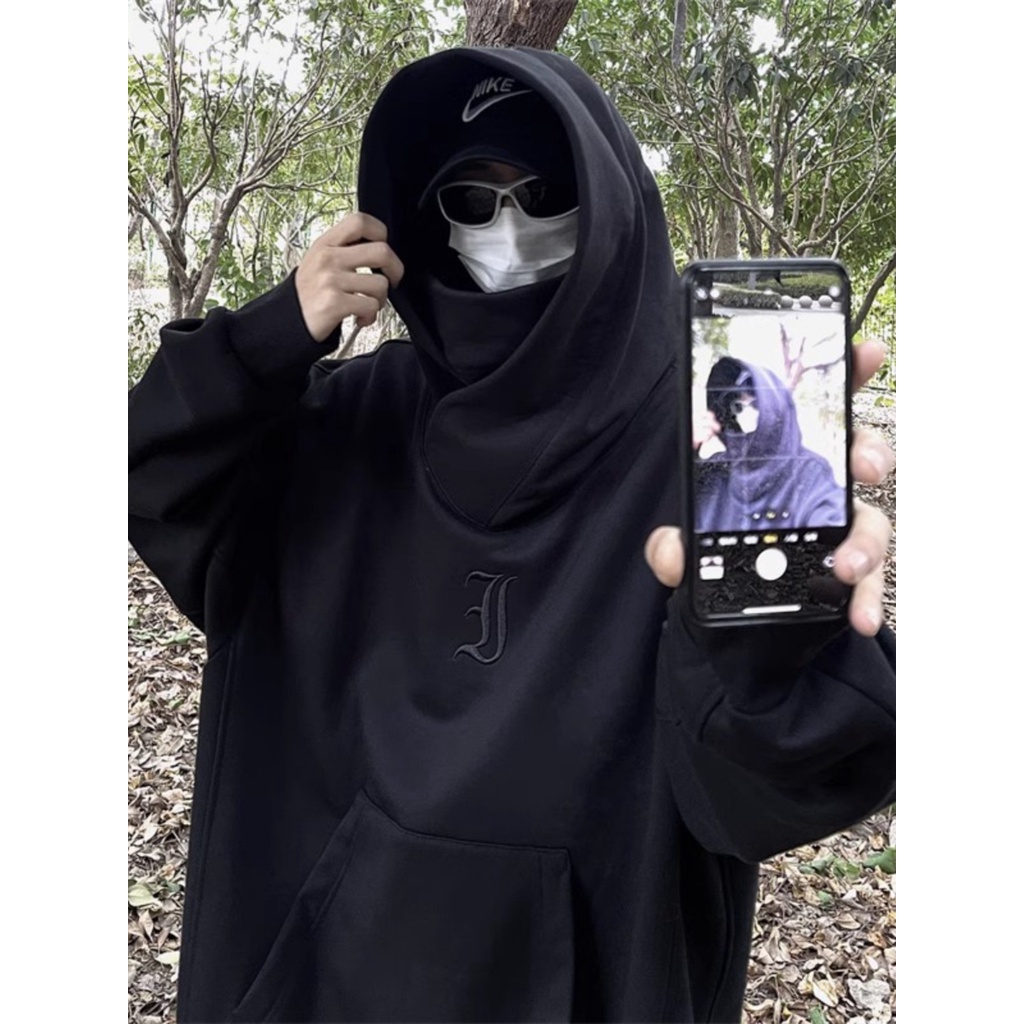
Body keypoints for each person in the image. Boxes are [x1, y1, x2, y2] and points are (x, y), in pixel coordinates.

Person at [128, 46, 896, 1024]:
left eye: (544, 193)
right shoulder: (342, 423)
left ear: (609, 207)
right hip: (323, 988)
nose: (510, 227)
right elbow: (150, 475)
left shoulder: (706, 455)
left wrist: (777, 628)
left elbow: (776, 778)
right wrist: (269, 336)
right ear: (423, 223)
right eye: (470, 200)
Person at [694, 355, 847, 532]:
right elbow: (673, 505)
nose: (746, 415)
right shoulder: (717, 469)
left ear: (774, 407)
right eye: (737, 407)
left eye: (755, 404)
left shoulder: (810, 473)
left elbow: (831, 523)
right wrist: (683, 449)